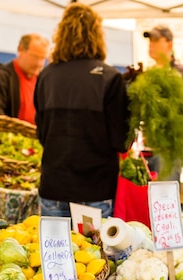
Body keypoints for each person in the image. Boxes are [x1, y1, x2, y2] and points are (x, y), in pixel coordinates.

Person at [35, 3, 129, 218]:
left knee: (52, 252)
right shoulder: (109, 77)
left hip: (53, 187)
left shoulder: (47, 76)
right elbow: (120, 140)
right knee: (91, 252)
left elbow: (42, 134)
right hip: (94, 191)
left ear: (61, 34)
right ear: (97, 35)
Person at [0, 33, 49, 124]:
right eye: (35, 56)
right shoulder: (3, 77)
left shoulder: (43, 81)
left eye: (43, 58)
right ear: (21, 49)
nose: (39, 63)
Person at [143, 25, 183, 91]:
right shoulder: (149, 73)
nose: (151, 44)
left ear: (169, 45)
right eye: (150, 40)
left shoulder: (180, 73)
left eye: (155, 40)